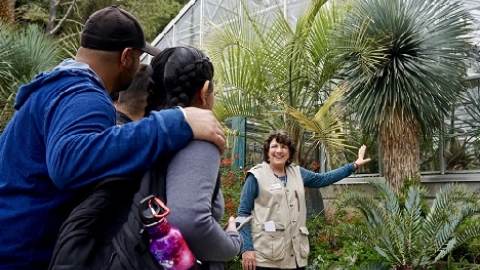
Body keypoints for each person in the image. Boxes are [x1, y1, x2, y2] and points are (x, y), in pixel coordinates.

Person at [0, 6, 225, 270]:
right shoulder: (83, 95)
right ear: (127, 57)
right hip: (21, 256)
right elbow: (70, 162)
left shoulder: (54, 88)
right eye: (139, 57)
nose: (141, 67)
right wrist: (177, 122)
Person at [147, 46, 242, 269]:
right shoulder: (199, 140)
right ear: (204, 91)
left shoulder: (139, 131)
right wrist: (231, 243)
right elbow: (190, 220)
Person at [237, 131, 371, 270]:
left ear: (289, 152)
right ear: (267, 151)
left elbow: (322, 179)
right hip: (265, 256)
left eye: (284, 147)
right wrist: (247, 248)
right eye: (274, 146)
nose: (279, 150)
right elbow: (243, 214)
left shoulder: (297, 172)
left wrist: (353, 166)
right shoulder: (256, 176)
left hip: (294, 255)